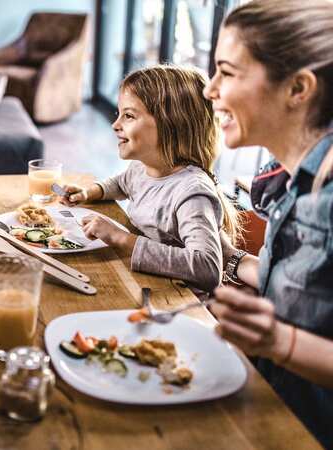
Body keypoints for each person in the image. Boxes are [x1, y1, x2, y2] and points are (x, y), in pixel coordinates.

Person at [202, 1, 333, 446]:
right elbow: (308, 290)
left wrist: (280, 342)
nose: (210, 89)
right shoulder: (294, 180)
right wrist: (233, 261)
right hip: (270, 411)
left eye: (228, 72)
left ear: (298, 88)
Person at [59, 65, 240, 292]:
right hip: (141, 282)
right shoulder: (142, 168)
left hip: (176, 301)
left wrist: (121, 239)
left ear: (171, 124)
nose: (115, 125)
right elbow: (121, 183)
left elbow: (207, 268)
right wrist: (89, 192)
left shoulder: (191, 192)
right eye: (119, 114)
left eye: (129, 116)